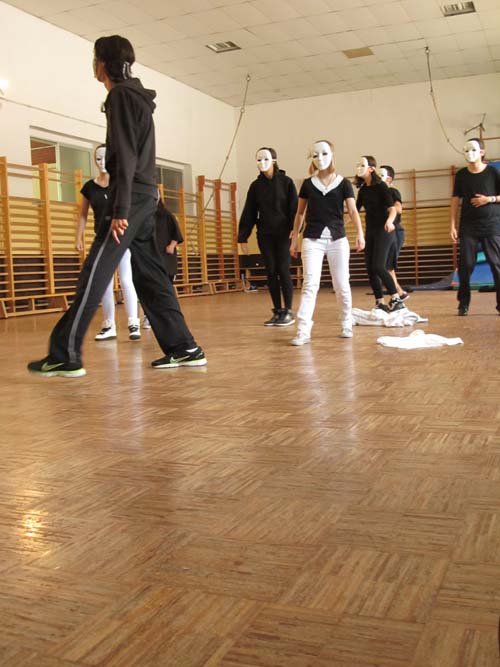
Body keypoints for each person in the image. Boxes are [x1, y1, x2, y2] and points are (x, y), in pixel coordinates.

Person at [28, 34, 206, 377]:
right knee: (150, 275)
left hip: (131, 199)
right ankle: (184, 347)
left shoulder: (120, 97)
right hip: (144, 196)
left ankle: (65, 354)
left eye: (94, 59)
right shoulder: (134, 97)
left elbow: (125, 155)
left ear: (102, 64)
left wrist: (120, 210)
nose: (93, 65)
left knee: (95, 272)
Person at [289, 140, 365, 345]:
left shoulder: (344, 183)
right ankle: (303, 329)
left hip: (337, 240)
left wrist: (360, 233)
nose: (320, 158)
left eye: (324, 154)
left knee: (341, 284)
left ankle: (346, 322)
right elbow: (300, 213)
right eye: (315, 155)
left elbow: (352, 211)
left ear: (332, 155)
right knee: (310, 284)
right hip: (312, 240)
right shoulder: (307, 184)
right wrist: (294, 238)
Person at [76, 144, 141, 341]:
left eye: (105, 157)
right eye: (98, 158)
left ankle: (133, 322)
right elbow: (83, 214)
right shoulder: (89, 187)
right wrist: (78, 236)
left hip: (121, 238)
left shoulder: (120, 184)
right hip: (101, 239)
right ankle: (109, 324)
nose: (102, 162)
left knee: (126, 279)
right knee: (104, 282)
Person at [238, 147, 298, 326]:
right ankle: (277, 310)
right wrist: (243, 236)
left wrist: (295, 231)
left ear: (274, 160)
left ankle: (288, 311)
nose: (262, 163)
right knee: (270, 271)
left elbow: (295, 209)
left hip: (284, 233)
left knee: (283, 269)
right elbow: (249, 211)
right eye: (258, 160)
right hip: (265, 234)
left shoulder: (287, 182)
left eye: (265, 159)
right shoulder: (255, 186)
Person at [450, 137, 500, 316]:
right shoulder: (461, 175)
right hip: (468, 226)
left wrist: (489, 199)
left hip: (491, 225)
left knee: (496, 264)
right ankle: (463, 303)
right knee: (466, 265)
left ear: (482, 152)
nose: (470, 154)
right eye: (467, 150)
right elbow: (455, 200)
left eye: (474, 150)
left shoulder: (493, 172)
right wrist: (452, 225)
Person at [355, 155, 406, 312]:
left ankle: (396, 299)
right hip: (370, 231)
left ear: (371, 169)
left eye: (362, 165)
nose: (359, 168)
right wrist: (340, 225)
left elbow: (393, 209)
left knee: (379, 266)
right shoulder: (363, 190)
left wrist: (389, 221)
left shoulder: (381, 187)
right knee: (370, 268)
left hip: (384, 231)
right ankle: (380, 302)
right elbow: (354, 211)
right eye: (358, 165)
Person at [142, 196, 184, 330]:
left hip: (167, 259)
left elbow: (177, 234)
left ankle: (170, 317)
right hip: (151, 258)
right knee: (151, 289)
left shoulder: (167, 215)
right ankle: (149, 317)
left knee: (166, 290)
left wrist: (172, 245)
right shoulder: (144, 216)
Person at [380, 164, 408, 301]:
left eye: (381, 175)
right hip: (384, 232)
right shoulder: (377, 193)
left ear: (389, 179)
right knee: (384, 265)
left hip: (395, 231)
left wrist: (388, 209)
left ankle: (398, 293)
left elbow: (398, 208)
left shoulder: (392, 192)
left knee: (387, 265)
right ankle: (399, 292)